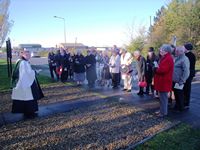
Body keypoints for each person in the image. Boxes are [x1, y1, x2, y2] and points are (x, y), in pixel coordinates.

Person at [11, 49, 44, 118]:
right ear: (22, 54)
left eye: (29, 54)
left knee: (24, 98)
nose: (28, 55)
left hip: (22, 82)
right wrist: (35, 72)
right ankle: (29, 112)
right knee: (28, 97)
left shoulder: (19, 61)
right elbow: (26, 74)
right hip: (26, 84)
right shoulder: (24, 63)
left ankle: (26, 111)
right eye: (26, 54)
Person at [154, 44, 174, 117]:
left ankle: (163, 113)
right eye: (161, 49)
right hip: (162, 81)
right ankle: (161, 110)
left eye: (162, 49)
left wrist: (156, 68)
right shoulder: (165, 57)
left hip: (164, 81)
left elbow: (162, 70)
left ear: (166, 51)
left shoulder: (168, 58)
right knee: (161, 98)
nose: (160, 50)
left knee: (163, 98)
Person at [173, 46, 190, 112]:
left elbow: (186, 71)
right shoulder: (177, 58)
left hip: (179, 81)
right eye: (176, 51)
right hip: (175, 80)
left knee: (180, 95)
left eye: (177, 51)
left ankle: (181, 108)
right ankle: (177, 106)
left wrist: (182, 80)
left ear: (181, 51)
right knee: (176, 94)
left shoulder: (184, 59)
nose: (175, 52)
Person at [183, 43, 196, 109]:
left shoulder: (190, 55)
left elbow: (188, 66)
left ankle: (186, 103)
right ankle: (184, 102)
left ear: (186, 48)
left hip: (189, 73)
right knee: (185, 88)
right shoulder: (188, 55)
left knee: (187, 88)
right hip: (189, 72)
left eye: (184, 47)